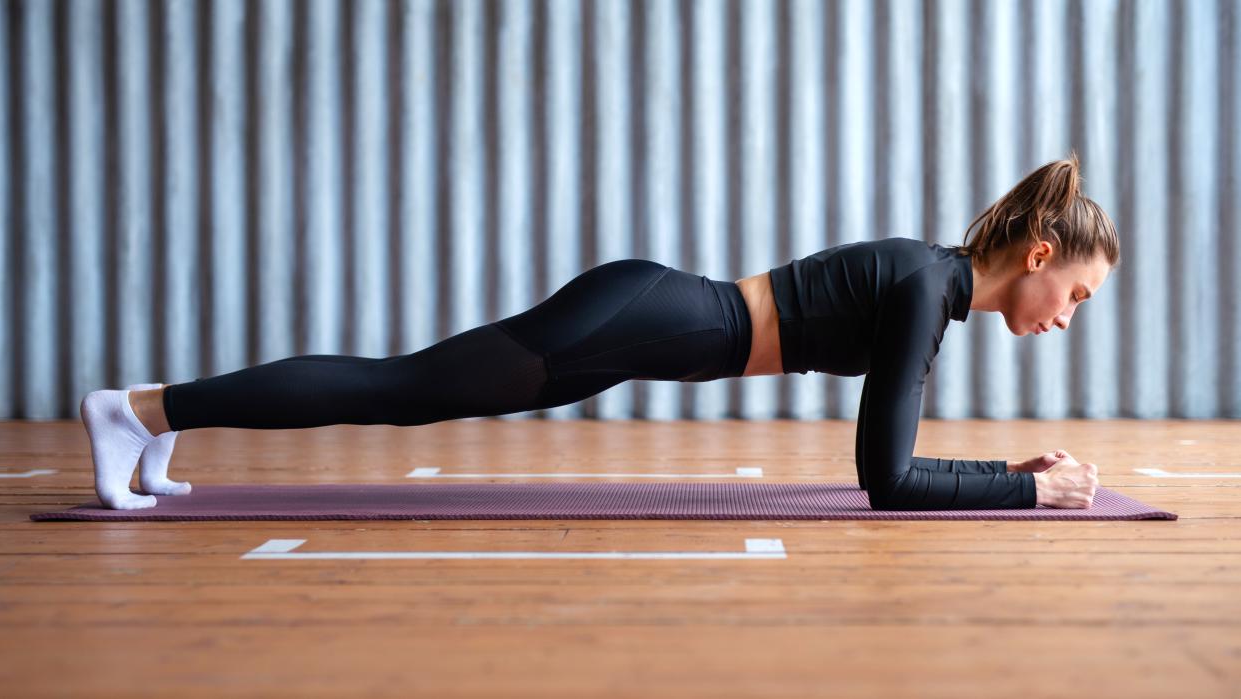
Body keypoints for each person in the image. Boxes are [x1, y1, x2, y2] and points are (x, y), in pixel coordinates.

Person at [80, 153, 1116, 511]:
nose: (1066, 319)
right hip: (635, 319)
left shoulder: (928, 285)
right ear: (1037, 259)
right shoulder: (925, 290)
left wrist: (1015, 475)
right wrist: (1031, 487)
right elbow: (884, 481)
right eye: (1074, 295)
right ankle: (141, 410)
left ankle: (161, 419)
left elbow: (890, 469)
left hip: (640, 322)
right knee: (396, 389)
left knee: (399, 386)